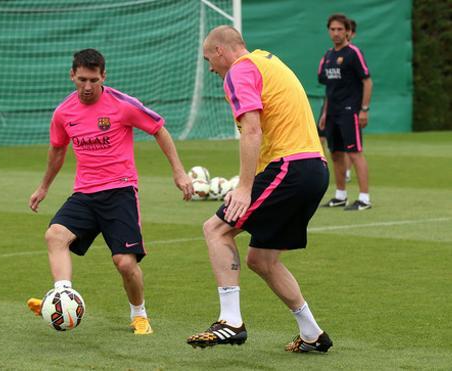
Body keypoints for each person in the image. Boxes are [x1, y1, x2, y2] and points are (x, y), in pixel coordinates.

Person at [186, 26, 333, 353]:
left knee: (216, 230)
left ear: (221, 51)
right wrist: (247, 183)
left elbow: (251, 130)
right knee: (262, 260)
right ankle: (312, 333)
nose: (210, 67)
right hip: (313, 171)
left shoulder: (238, 72)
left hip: (291, 168)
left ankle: (230, 322)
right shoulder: (267, 61)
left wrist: (244, 188)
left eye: (209, 59)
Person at [26, 48, 193, 335]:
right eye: (81, 80)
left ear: (104, 75)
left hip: (120, 192)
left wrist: (179, 171)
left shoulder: (123, 104)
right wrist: (43, 187)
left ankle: (139, 314)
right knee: (55, 235)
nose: (87, 87)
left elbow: (159, 129)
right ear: (72, 76)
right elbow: (57, 150)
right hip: (85, 194)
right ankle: (62, 296)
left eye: (93, 80)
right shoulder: (63, 112)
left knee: (125, 264)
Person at [318, 14, 373, 211]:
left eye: (340, 29)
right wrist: (325, 113)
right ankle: (340, 195)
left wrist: (363, 110)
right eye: (332, 29)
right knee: (336, 154)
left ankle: (364, 198)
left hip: (350, 111)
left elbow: (367, 81)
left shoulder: (353, 53)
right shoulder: (328, 56)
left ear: (348, 31)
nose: (336, 33)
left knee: (355, 153)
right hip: (332, 112)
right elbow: (328, 87)